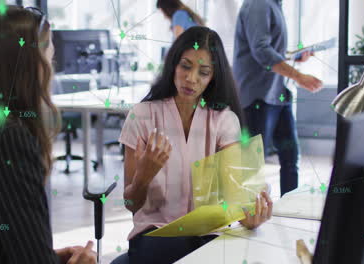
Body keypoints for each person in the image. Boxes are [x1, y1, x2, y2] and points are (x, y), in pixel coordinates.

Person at [0, 6, 96, 264]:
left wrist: (52, 258)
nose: (51, 69)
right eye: (50, 59)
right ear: (33, 66)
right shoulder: (9, 140)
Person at [118, 26, 273, 264]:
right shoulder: (142, 116)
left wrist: (250, 217)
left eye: (203, 72)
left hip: (206, 235)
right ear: (173, 64)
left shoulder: (223, 120)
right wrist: (144, 175)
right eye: (185, 66)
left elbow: (236, 197)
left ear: (213, 77)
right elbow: (131, 204)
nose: (191, 78)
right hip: (155, 235)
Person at [233, 0, 323, 197]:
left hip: (278, 94)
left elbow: (269, 49)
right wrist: (298, 76)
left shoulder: (274, 5)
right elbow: (261, 50)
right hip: (258, 97)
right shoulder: (259, 4)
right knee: (253, 166)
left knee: (290, 158)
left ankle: (291, 209)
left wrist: (292, 57)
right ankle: (247, 217)